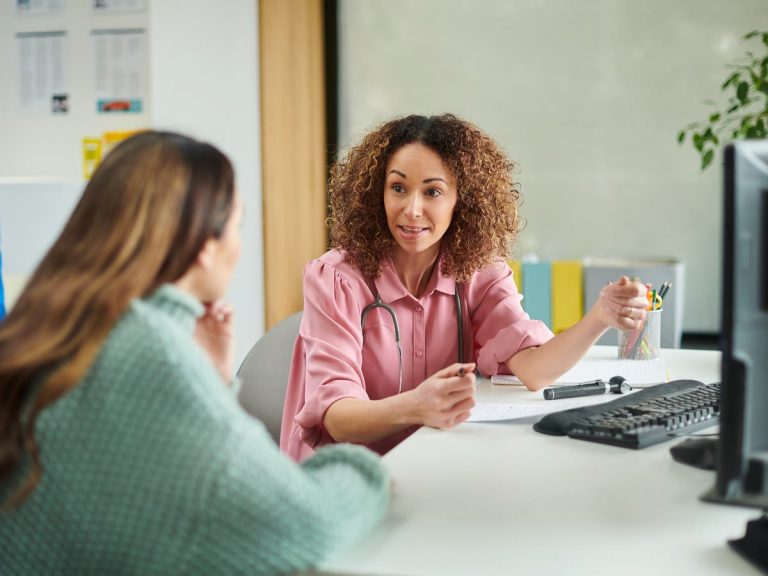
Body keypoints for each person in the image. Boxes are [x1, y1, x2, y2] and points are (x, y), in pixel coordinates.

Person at [0, 131, 389, 574]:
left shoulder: (48, 322)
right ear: (206, 246)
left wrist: (212, 380)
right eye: (237, 225)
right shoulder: (153, 352)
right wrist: (363, 468)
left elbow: (154, 474)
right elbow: (303, 524)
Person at [281, 113, 648, 461]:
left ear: (462, 200)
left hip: (433, 463)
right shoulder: (337, 278)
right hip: (343, 479)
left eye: (433, 192)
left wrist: (600, 317)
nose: (411, 209)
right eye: (398, 187)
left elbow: (535, 371)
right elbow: (336, 417)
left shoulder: (479, 273)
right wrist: (416, 406)